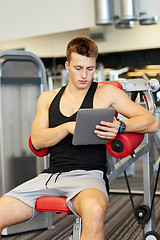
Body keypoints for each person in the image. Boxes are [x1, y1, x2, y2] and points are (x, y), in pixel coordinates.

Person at [0, 37, 159, 240]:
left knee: (94, 211)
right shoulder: (48, 98)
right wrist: (66, 127)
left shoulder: (106, 93)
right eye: (78, 68)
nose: (84, 75)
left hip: (89, 177)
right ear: (67, 65)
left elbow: (151, 122)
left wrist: (121, 126)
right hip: (50, 177)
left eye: (90, 69)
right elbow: (38, 140)